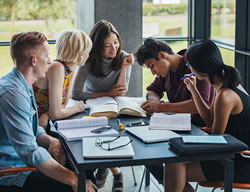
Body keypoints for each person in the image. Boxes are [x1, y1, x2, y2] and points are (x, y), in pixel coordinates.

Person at [0, 32, 97, 192]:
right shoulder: (13, 95)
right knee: (78, 181)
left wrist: (50, 141)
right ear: (34, 60)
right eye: (47, 55)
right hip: (13, 171)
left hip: (22, 159)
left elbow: (30, 127)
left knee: (84, 171)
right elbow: (29, 151)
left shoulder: (22, 84)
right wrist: (73, 179)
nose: (51, 60)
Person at [164, 39, 250, 192]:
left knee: (174, 165)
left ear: (198, 67)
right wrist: (194, 90)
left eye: (189, 65)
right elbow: (210, 119)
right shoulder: (224, 84)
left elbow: (216, 137)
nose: (188, 68)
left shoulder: (225, 95)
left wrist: (188, 147)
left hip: (239, 161)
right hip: (231, 153)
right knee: (174, 164)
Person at [134, 37, 214, 185]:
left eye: (152, 66)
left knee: (161, 158)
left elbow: (198, 105)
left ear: (163, 55)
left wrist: (160, 107)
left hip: (200, 131)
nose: (152, 72)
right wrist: (154, 100)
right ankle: (171, 184)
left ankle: (171, 183)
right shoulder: (166, 72)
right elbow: (152, 90)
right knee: (143, 150)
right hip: (179, 128)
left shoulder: (194, 65)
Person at [72, 20, 135, 192]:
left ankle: (107, 168)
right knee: (95, 132)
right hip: (94, 106)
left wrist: (124, 67)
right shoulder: (89, 60)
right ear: (97, 46)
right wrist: (107, 93)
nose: (113, 48)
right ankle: (116, 172)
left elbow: (121, 90)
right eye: (107, 45)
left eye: (115, 42)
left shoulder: (123, 57)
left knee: (115, 131)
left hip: (115, 105)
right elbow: (76, 93)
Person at [33, 29, 92, 131]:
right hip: (33, 124)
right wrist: (77, 108)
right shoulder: (57, 68)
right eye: (87, 51)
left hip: (44, 122)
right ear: (80, 53)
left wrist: (47, 115)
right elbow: (56, 113)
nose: (88, 55)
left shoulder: (70, 69)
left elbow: (64, 103)